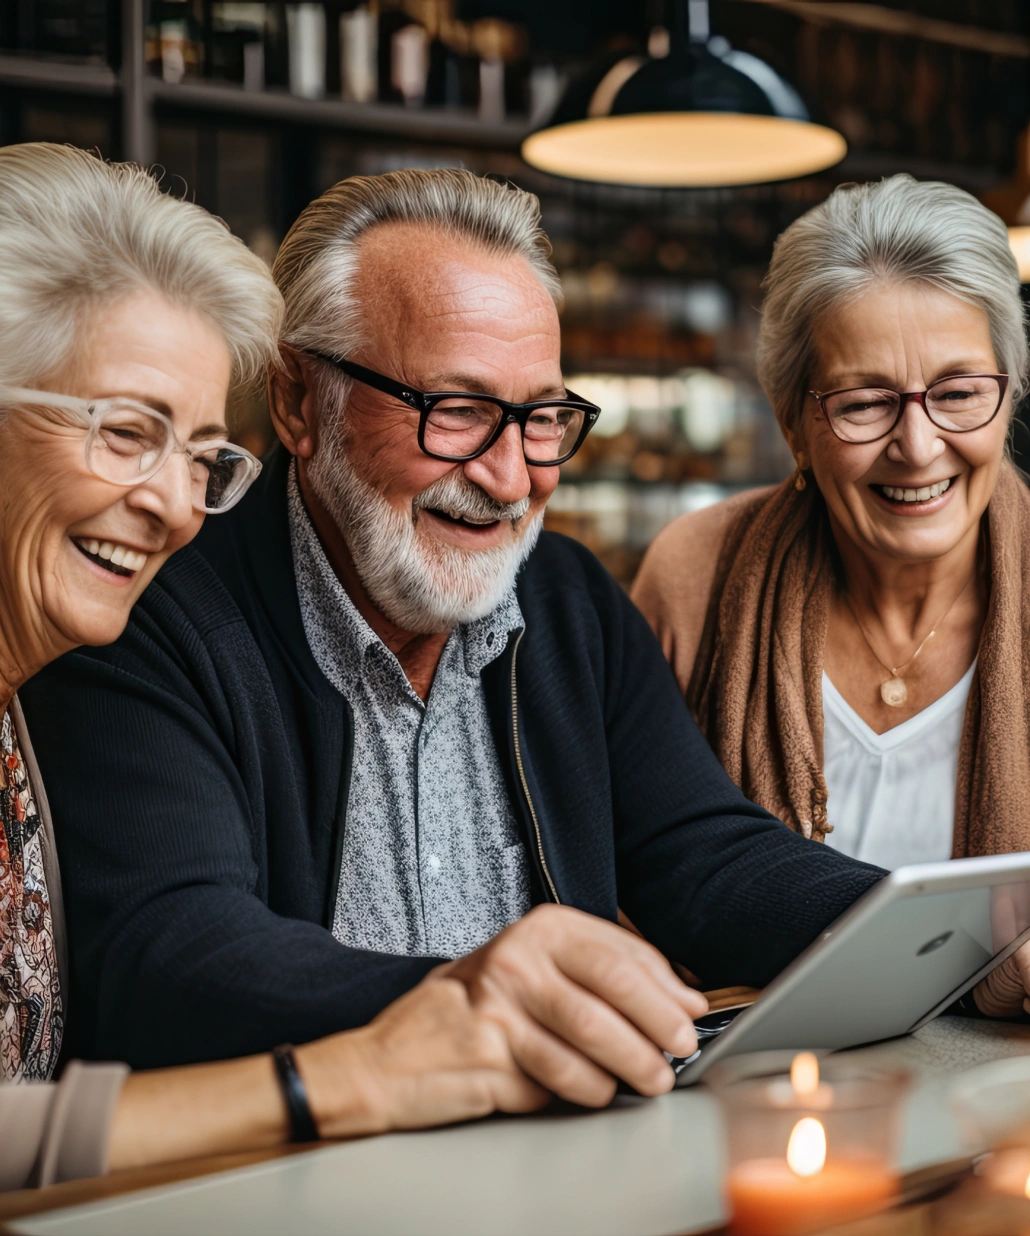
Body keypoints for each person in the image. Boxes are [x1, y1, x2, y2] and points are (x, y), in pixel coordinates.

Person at [22, 167, 889, 1108]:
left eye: (543, 419)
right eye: (460, 412)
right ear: (301, 406)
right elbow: (174, 958)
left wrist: (963, 932)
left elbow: (707, 859)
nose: (514, 479)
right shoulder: (148, 602)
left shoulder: (566, 599)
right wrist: (469, 1006)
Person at [0, 145, 548, 1192]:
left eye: (202, 454)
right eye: (125, 432)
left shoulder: (17, 718)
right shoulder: (138, 653)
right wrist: (347, 1080)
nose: (172, 505)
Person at [633, 174, 1029, 874]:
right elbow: (627, 867)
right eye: (864, 403)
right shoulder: (696, 574)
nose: (917, 446)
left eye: (960, 393)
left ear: (1009, 396)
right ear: (794, 426)